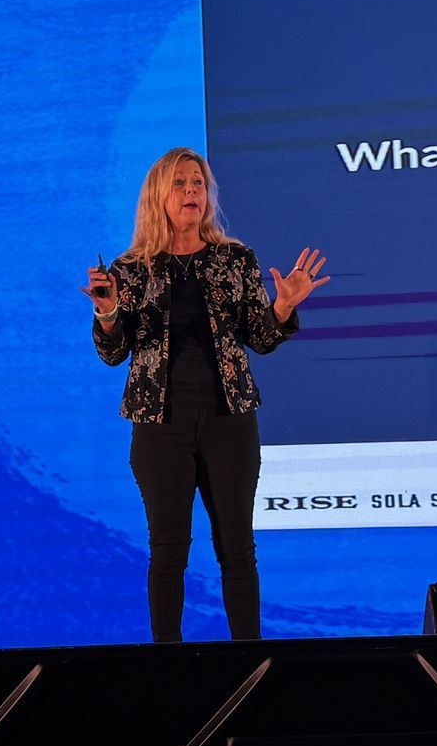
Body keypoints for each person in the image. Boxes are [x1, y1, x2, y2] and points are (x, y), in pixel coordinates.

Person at [81, 147, 329, 642]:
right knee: (168, 552)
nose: (191, 191)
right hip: (160, 427)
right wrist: (106, 314)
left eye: (198, 182)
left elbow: (261, 338)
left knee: (237, 549)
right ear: (158, 196)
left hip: (228, 423)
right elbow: (114, 353)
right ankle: (168, 668)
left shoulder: (235, 259)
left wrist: (282, 306)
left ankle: (251, 664)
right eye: (180, 183)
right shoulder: (130, 270)